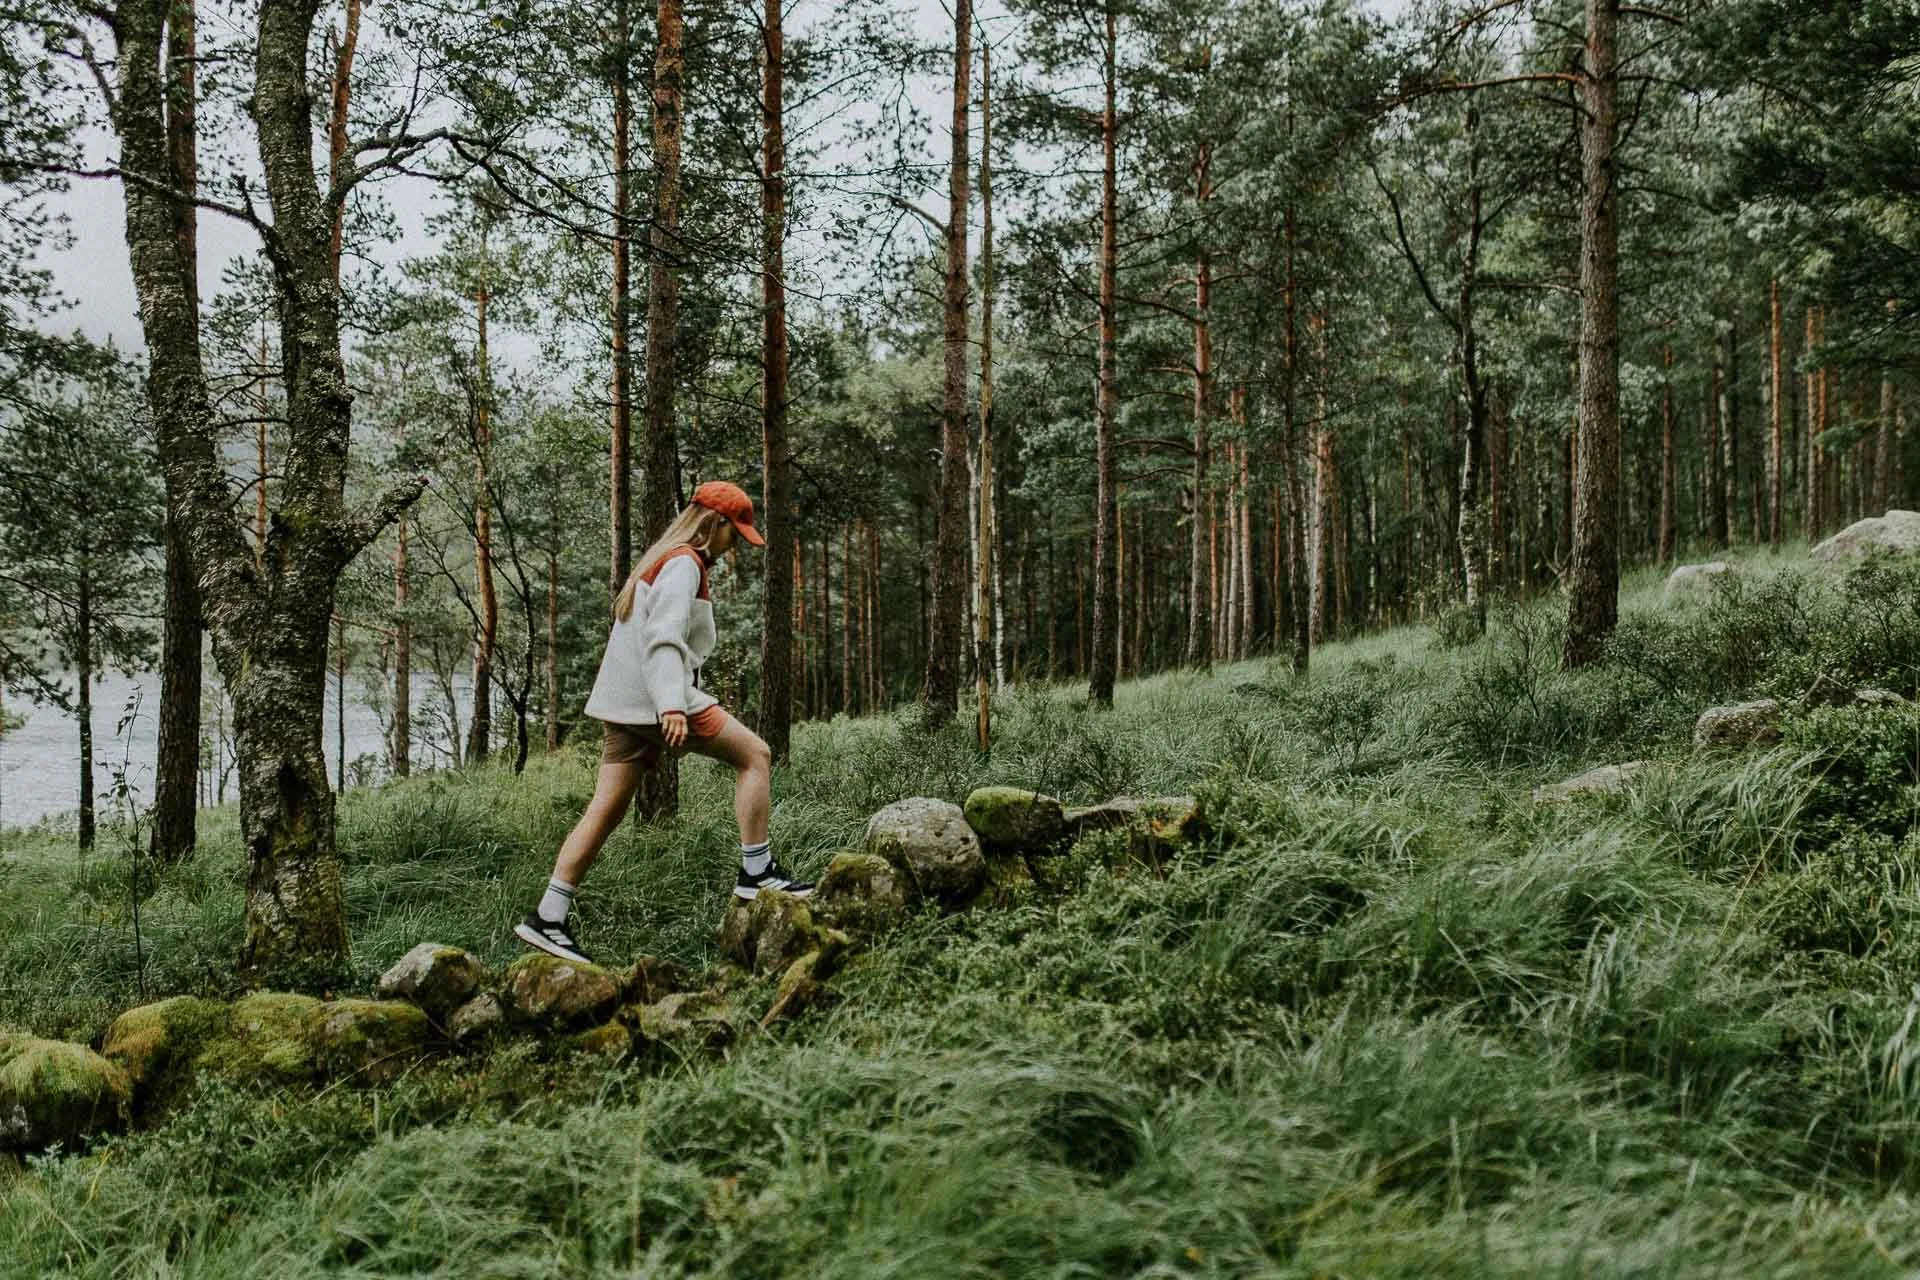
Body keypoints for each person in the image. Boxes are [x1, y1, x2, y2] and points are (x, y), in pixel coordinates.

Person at [516, 480, 812, 965]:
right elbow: (663, 638)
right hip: (657, 699)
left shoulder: (663, 559)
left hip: (624, 706)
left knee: (606, 809)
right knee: (755, 755)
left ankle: (548, 916)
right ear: (713, 524)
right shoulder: (684, 564)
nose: (733, 545)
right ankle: (756, 871)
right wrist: (672, 705)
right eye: (733, 534)